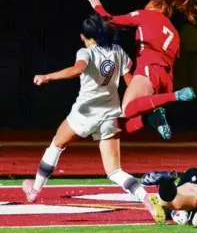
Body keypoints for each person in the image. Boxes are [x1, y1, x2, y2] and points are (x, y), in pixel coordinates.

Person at [22, 14, 166, 224]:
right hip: (109, 116)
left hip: (84, 114)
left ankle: (34, 190)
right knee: (114, 170)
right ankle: (144, 197)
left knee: (57, 144)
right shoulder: (118, 52)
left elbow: (76, 69)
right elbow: (130, 83)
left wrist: (47, 77)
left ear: (83, 36)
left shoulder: (86, 52)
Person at [87, 0, 197, 139]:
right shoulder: (174, 32)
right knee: (133, 123)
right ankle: (155, 112)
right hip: (166, 79)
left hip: (150, 70)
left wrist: (97, 6)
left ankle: (174, 97)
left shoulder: (145, 15)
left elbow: (111, 19)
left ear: (152, 7)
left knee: (128, 108)